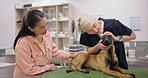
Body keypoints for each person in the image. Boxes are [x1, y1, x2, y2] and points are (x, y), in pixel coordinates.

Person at [13, 10, 79, 78]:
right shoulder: (23, 44)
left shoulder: (46, 35)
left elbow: (55, 51)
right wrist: (48, 67)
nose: (46, 28)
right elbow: (29, 69)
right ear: (31, 28)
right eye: (42, 27)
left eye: (46, 24)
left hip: (42, 75)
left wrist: (71, 55)